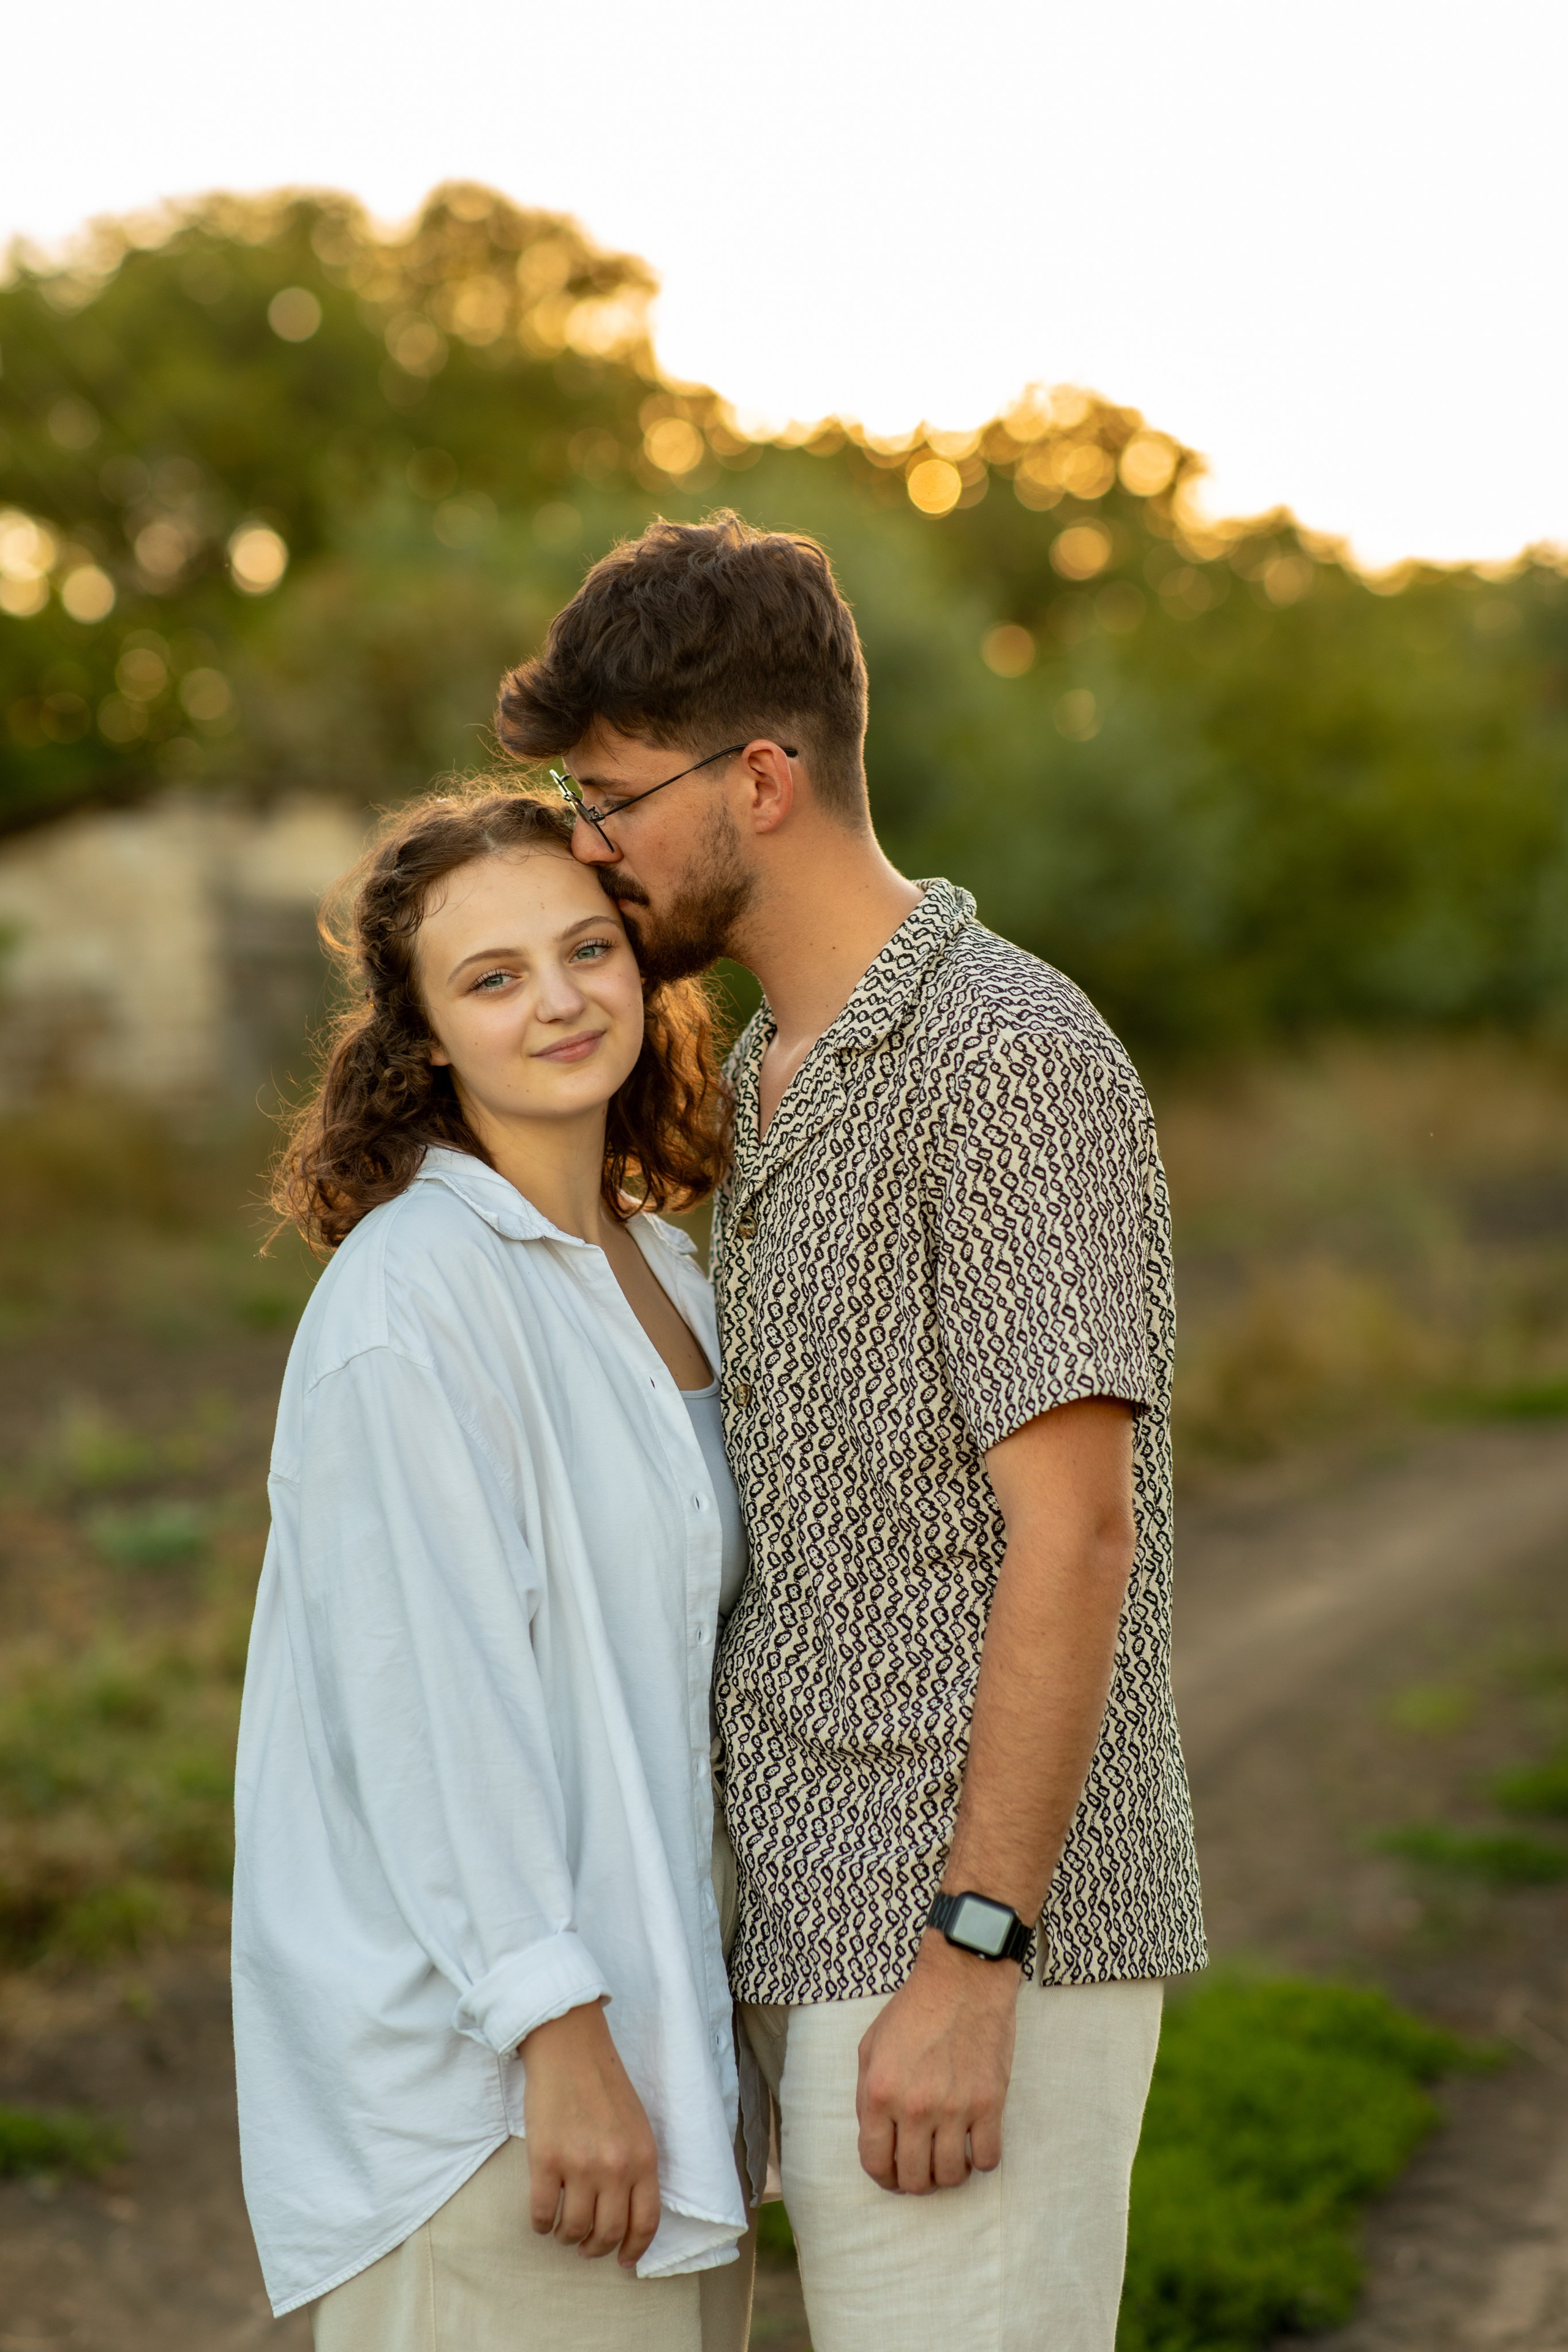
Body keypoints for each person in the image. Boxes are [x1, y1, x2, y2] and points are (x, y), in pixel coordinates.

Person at [496, 513, 1207, 2352]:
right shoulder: (763, 1071)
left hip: (969, 1941)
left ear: (763, 779)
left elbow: (1081, 1533)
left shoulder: (1004, 1054)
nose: (589, 846)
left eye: (613, 796)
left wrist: (975, 1952)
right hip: (807, 1922)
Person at [232, 786, 760, 2351]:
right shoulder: (412, 1300)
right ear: (422, 1037)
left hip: (654, 2052)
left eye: (585, 949)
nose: (557, 1001)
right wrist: (558, 2034)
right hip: (494, 2102)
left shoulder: (661, 1269)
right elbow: (431, 1708)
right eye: (492, 977)